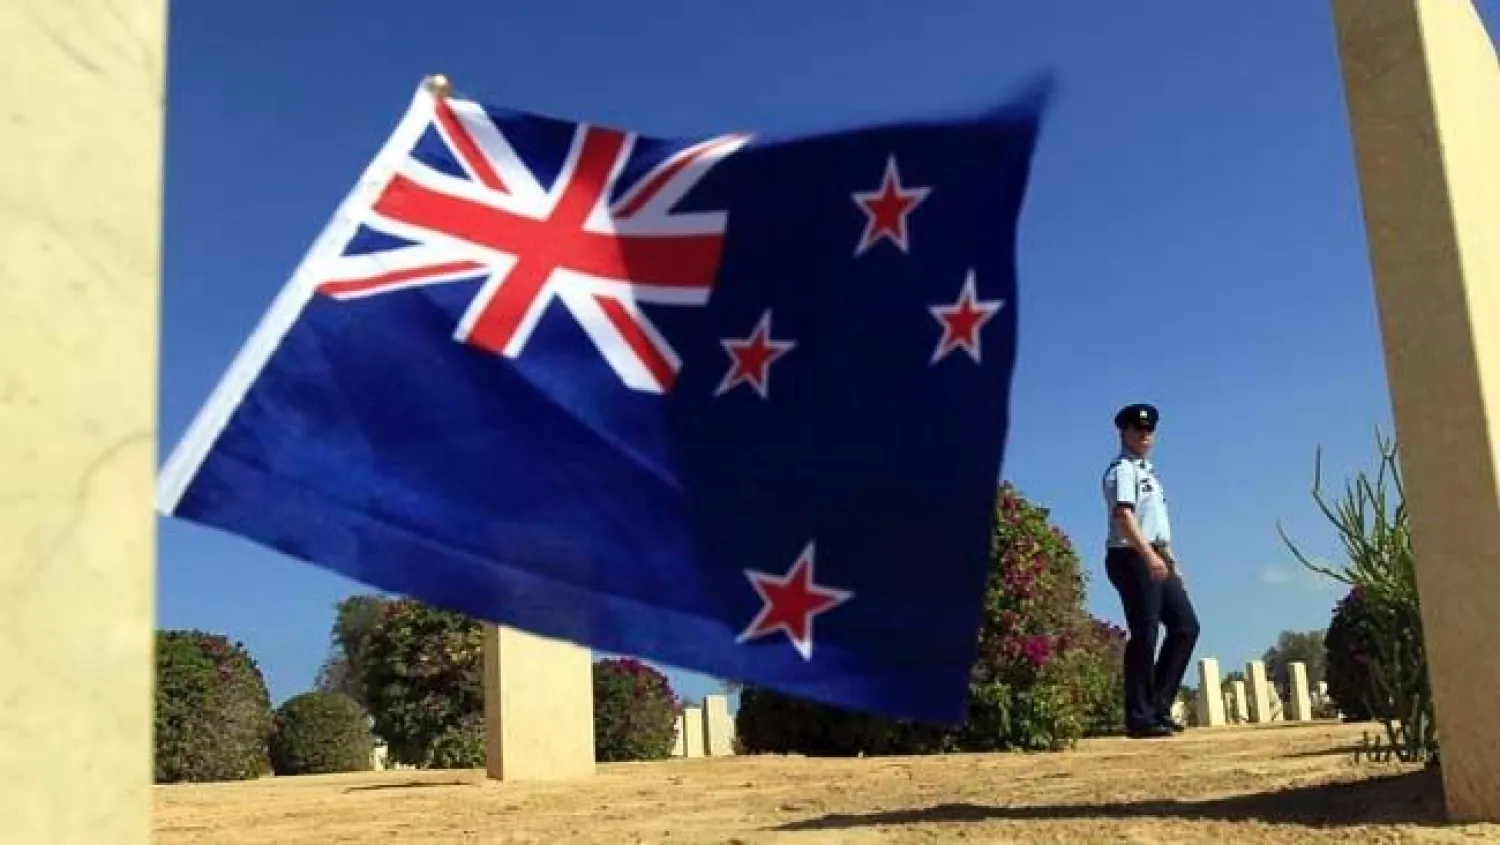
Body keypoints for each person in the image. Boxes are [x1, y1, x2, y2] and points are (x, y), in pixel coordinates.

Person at [1100, 402, 1201, 739]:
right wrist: (1149, 556)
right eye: (1138, 429)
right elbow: (1124, 517)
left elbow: (1156, 524)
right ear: (1124, 432)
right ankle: (1139, 716)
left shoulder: (1150, 475)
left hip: (1155, 554)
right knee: (1145, 632)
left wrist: (1170, 560)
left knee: (1185, 626)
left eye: (1149, 430)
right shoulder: (1122, 471)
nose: (1144, 435)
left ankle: (1158, 706)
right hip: (1130, 555)